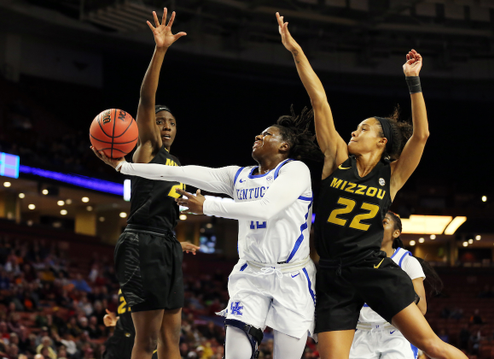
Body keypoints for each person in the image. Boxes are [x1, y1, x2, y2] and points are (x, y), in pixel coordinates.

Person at [276, 12, 467, 359]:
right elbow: (319, 99)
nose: (353, 131)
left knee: (430, 344)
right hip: (332, 273)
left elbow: (421, 135)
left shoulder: (390, 177)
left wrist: (413, 81)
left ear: (381, 142)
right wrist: (295, 51)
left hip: (371, 267)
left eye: (363, 129)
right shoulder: (336, 158)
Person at [92, 105, 323, 358]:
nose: (258, 136)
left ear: (284, 146)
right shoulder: (238, 175)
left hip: (292, 276)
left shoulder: (296, 170)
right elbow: (176, 172)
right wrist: (124, 168)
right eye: (259, 133)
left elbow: (266, 208)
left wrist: (209, 205)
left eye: (267, 134)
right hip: (251, 275)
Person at [96, 8, 199, 359]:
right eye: (159, 121)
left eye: (170, 122)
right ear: (148, 128)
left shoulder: (178, 164)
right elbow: (146, 99)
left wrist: (178, 236)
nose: (166, 125)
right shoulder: (147, 150)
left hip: (166, 246)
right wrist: (160, 51)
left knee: (173, 339)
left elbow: (165, 209)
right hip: (141, 243)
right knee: (148, 340)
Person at [349, 211, 443, 359]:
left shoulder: (407, 261)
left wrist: (397, 291)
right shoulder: (356, 259)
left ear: (396, 233)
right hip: (361, 331)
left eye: (384, 222)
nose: (377, 227)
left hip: (397, 331)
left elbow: (421, 308)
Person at [102, 289, 157, 359]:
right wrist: (117, 319)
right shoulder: (126, 285)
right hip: (126, 335)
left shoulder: (148, 284)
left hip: (138, 335)